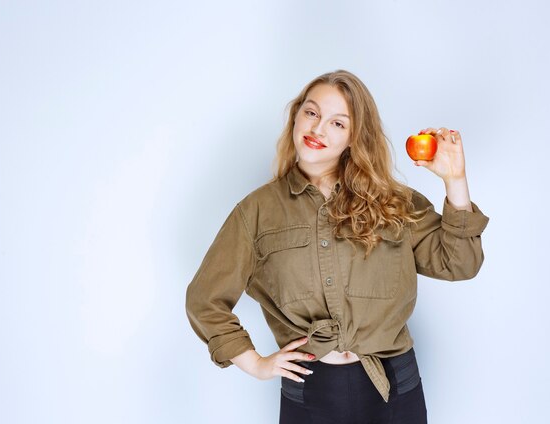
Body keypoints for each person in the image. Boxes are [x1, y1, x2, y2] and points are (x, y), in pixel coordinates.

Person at [185, 69, 489, 424]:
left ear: (355, 137)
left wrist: (455, 180)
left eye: (337, 123)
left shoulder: (393, 202)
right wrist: (255, 363)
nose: (318, 129)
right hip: (311, 392)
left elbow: (460, 264)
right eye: (312, 113)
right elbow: (204, 299)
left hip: (394, 387)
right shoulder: (256, 211)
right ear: (296, 115)